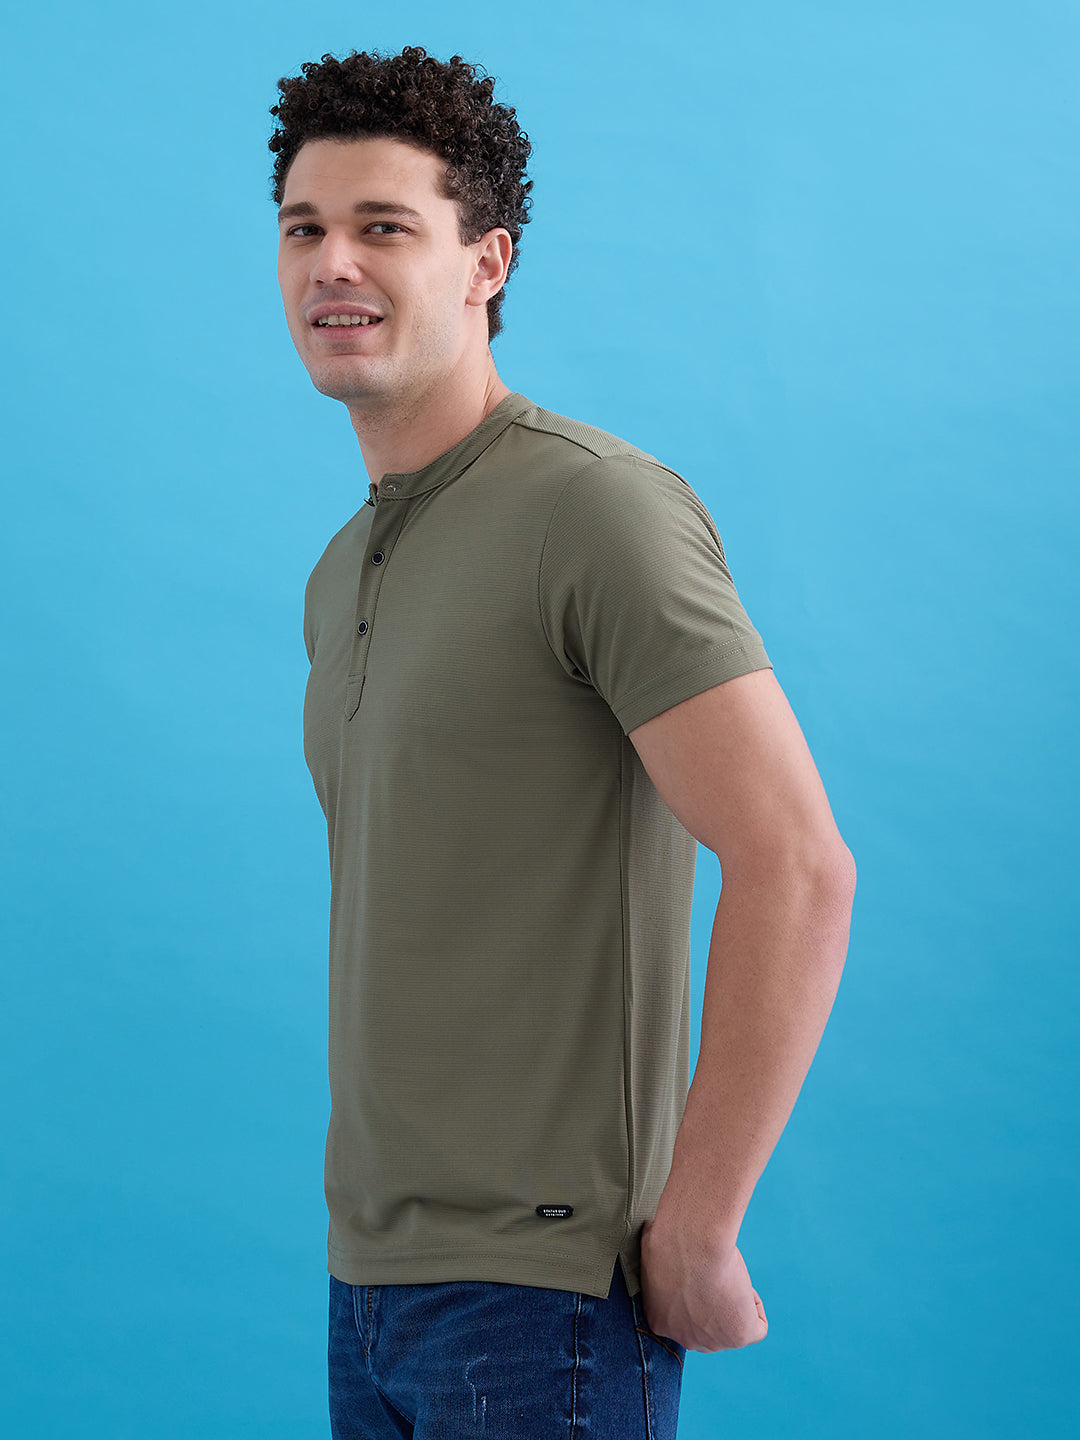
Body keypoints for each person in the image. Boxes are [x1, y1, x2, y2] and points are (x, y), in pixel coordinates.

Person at [270, 44, 856, 1440]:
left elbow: (796, 864)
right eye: (303, 228)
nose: (332, 263)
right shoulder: (343, 569)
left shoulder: (595, 512)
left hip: (548, 1297)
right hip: (370, 1283)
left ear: (486, 262)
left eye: (384, 227)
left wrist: (699, 1226)